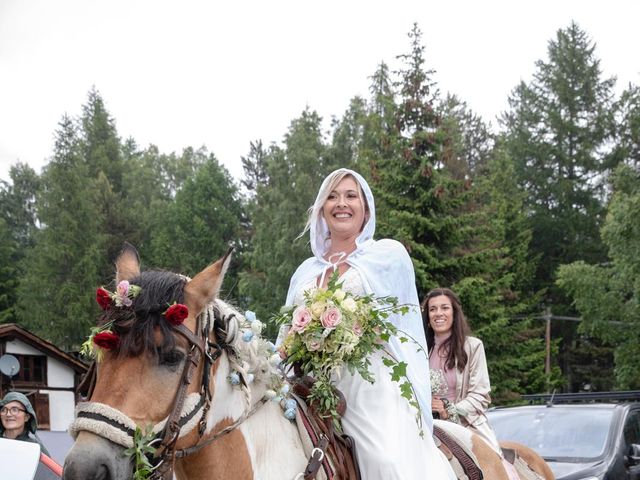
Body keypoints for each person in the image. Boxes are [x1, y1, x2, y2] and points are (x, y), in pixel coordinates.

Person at [282, 168, 455, 479]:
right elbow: (287, 332)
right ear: (322, 209)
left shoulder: (387, 255)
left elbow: (401, 322)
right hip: (309, 384)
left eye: (351, 196)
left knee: (385, 461)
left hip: (369, 382)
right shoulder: (306, 270)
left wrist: (349, 333)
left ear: (366, 208)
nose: (341, 203)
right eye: (332, 197)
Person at [423, 287, 520, 479]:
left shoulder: (473, 346)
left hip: (465, 424)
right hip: (426, 424)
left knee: (495, 469)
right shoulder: (418, 351)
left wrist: (449, 410)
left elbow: (480, 394)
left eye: (444, 308)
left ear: (454, 312)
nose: (438, 313)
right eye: (433, 309)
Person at [0, 391, 50, 455]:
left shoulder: (34, 447)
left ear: (27, 417)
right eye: (3, 410)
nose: (8, 414)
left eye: (15, 410)